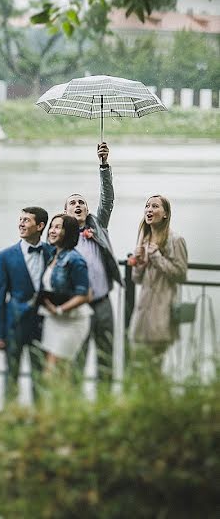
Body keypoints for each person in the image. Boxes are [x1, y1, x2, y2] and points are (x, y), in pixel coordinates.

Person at [65, 142, 121, 393]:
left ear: (87, 210)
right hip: (77, 305)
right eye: (73, 203)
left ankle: (105, 401)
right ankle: (75, 405)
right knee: (77, 356)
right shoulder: (62, 237)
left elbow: (107, 199)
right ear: (65, 212)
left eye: (82, 203)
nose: (78, 205)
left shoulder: (98, 226)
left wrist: (103, 164)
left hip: (102, 302)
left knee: (106, 353)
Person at [0, 206, 54, 403]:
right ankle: (11, 415)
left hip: (43, 325)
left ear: (40, 226)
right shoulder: (5, 256)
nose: (21, 223)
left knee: (40, 376)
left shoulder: (52, 252)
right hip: (14, 324)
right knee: (11, 375)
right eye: (20, 219)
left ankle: (41, 417)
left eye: (26, 220)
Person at [128, 195, 188, 367]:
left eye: (155, 206)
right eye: (147, 206)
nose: (149, 210)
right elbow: (136, 278)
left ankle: (157, 393)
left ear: (166, 214)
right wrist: (138, 264)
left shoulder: (176, 240)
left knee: (155, 364)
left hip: (163, 310)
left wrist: (156, 257)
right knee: (139, 363)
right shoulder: (144, 240)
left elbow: (181, 274)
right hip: (143, 310)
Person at [38, 214, 92, 376]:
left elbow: (85, 295)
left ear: (68, 232)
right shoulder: (53, 254)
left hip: (72, 320)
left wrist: (60, 309)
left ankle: (65, 400)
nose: (52, 231)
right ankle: (60, 401)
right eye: (51, 227)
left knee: (56, 372)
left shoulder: (75, 260)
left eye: (58, 227)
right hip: (53, 320)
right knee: (51, 370)